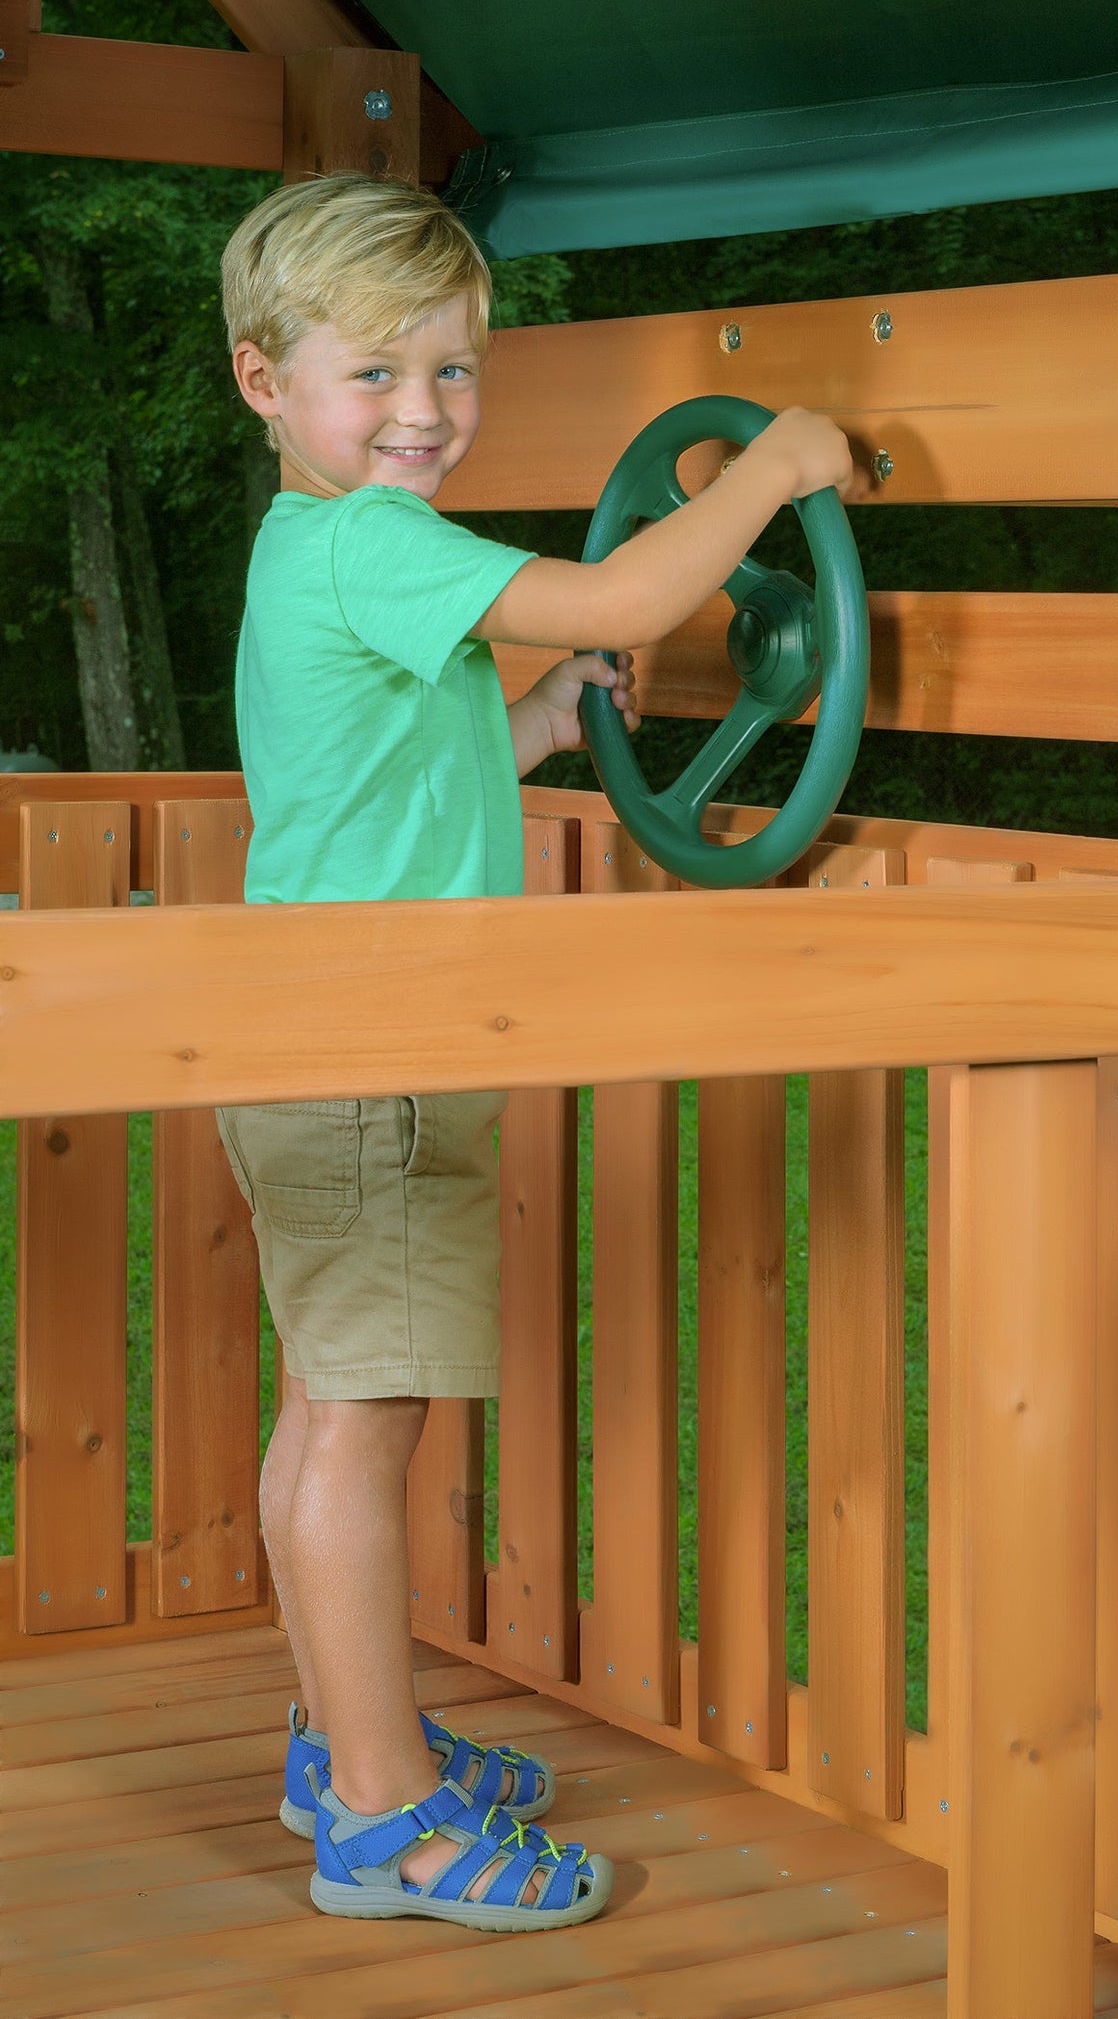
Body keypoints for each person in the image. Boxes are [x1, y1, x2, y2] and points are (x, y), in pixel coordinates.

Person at [214, 170, 854, 1934]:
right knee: (364, 1422)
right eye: (376, 374)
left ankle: (338, 1740)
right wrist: (772, 472)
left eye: (454, 370)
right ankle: (384, 1819)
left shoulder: (314, 546)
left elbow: (409, 768)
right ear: (267, 381)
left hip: (315, 1037)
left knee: (327, 1414)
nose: (423, 411)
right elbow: (636, 594)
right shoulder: (374, 540)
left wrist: (546, 716)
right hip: (370, 1055)